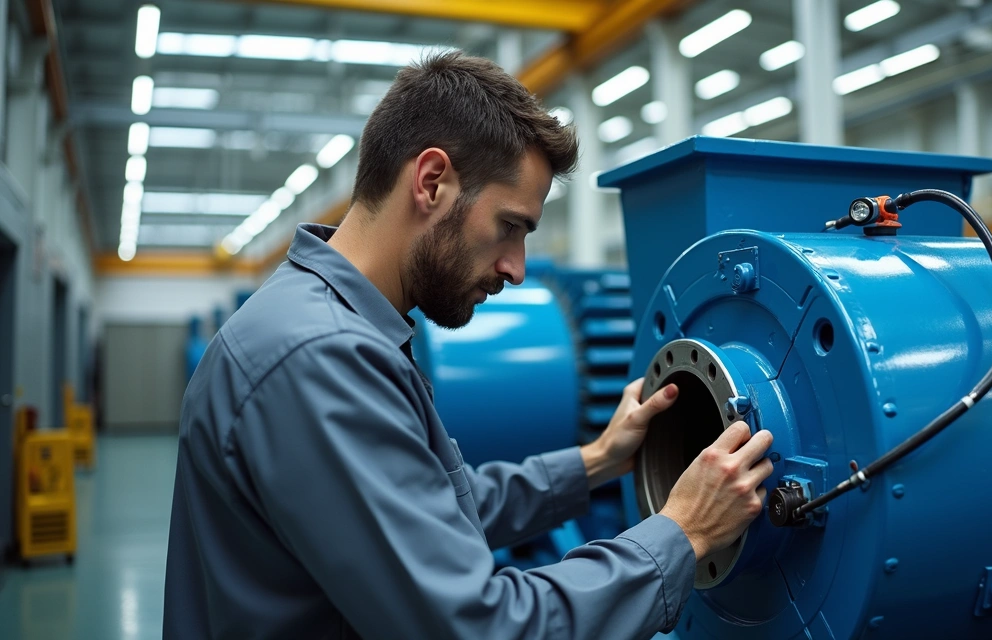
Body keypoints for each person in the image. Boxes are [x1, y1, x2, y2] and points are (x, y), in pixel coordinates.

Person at [164, 51, 774, 640]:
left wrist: (597, 460)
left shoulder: (333, 325)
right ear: (432, 182)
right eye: (510, 226)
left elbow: (428, 515)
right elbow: (479, 626)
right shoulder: (320, 357)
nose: (517, 269)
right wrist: (681, 533)